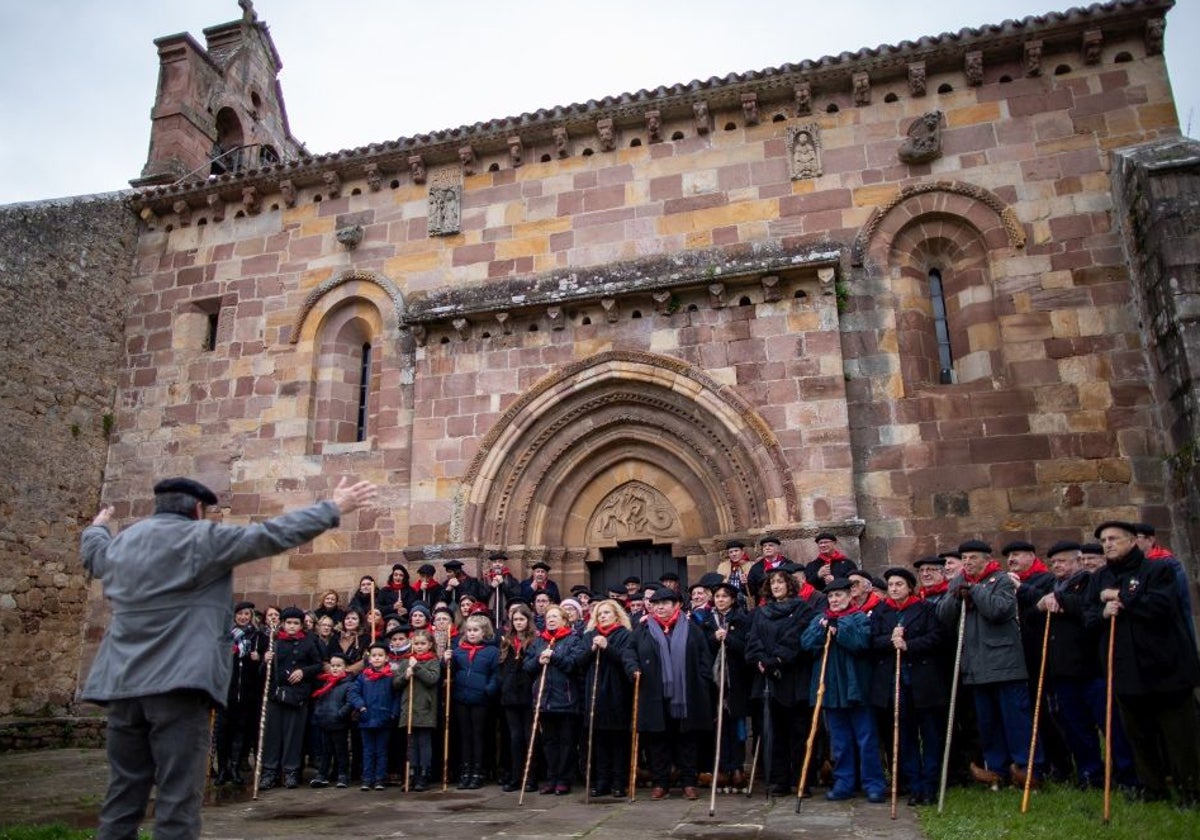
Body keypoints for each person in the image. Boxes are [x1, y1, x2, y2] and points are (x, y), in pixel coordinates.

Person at [79, 475, 376, 838]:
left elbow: (95, 557)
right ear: (198, 509)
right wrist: (333, 508)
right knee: (177, 799)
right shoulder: (203, 539)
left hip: (120, 683)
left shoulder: (123, 543)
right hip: (178, 684)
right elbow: (271, 535)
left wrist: (96, 529)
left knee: (123, 794)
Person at [1085, 521, 1200, 806]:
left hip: (1165, 667)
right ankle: (1152, 787)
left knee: (1179, 735)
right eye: (1103, 540)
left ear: (1133, 541)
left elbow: (1160, 606)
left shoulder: (1158, 569)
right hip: (1124, 670)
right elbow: (1087, 616)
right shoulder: (1099, 577)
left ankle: (1191, 789)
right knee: (1138, 734)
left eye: (1114, 538)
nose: (1108, 544)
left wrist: (1121, 597)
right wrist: (1103, 611)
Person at [937, 539, 1041, 789]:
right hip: (976, 666)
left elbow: (999, 610)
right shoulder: (958, 582)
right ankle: (996, 768)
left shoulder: (1001, 580)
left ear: (986, 559)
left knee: (1016, 719)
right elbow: (943, 616)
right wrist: (956, 595)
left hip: (1005, 664)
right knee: (988, 723)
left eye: (974, 558)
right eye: (965, 559)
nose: (968, 563)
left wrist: (974, 590)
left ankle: (1027, 768)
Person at [623, 587, 714, 801]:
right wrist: (633, 668)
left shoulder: (692, 629)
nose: (660, 607)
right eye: (656, 604)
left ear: (677, 605)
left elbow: (704, 658)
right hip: (654, 693)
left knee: (687, 740)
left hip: (687, 695)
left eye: (665, 603)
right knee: (657, 741)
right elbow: (629, 652)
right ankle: (660, 782)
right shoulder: (642, 629)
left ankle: (689, 783)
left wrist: (701, 680)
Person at [801, 578, 887, 803]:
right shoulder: (820, 619)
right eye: (831, 596)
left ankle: (873, 783)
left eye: (839, 595)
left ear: (850, 597)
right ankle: (844, 782)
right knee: (839, 741)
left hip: (856, 687)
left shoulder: (859, 618)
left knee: (866, 738)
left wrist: (839, 630)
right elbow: (806, 644)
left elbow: (860, 643)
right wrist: (822, 632)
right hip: (830, 689)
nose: (835, 600)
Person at [869, 567, 947, 806]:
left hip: (923, 682)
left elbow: (937, 637)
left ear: (909, 587)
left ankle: (930, 785)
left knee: (931, 735)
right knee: (905, 736)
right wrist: (890, 641)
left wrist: (908, 645)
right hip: (895, 683)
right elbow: (872, 640)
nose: (893, 589)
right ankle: (915, 785)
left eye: (899, 584)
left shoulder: (925, 609)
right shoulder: (882, 611)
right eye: (891, 585)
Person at [744, 568, 816, 795]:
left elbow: (796, 637)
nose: (776, 586)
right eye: (772, 582)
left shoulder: (803, 609)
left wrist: (776, 658)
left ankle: (801, 778)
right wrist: (761, 660)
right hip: (768, 680)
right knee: (773, 733)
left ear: (790, 585)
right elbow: (752, 640)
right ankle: (779, 780)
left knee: (798, 732)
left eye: (780, 582)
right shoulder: (760, 613)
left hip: (792, 677)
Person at [260, 606, 325, 790]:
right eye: (288, 623)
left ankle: (291, 771)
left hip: (297, 695)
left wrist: (303, 672)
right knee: (273, 735)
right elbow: (263, 674)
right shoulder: (274, 643)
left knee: (293, 735)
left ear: (301, 625)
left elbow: (318, 665)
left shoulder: (308, 643)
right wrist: (266, 661)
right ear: (282, 624)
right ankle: (269, 771)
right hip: (276, 694)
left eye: (296, 623)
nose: (292, 626)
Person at [526, 604, 586, 795]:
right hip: (544, 700)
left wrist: (555, 657)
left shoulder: (573, 639)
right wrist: (538, 661)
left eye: (555, 616)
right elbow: (527, 667)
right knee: (549, 742)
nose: (550, 620)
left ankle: (564, 779)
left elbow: (574, 665)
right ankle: (551, 778)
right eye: (548, 617)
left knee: (566, 743)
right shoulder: (539, 641)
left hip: (566, 699)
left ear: (564, 620)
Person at [582, 599, 635, 798]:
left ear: (616, 615)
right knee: (599, 742)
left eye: (606, 613)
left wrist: (607, 647)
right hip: (594, 694)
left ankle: (618, 782)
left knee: (618, 741)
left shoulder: (625, 635)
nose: (602, 616)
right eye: (599, 614)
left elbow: (625, 660)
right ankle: (601, 781)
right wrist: (592, 650)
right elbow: (580, 662)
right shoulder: (589, 636)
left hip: (616, 693)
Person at [702, 581, 752, 790]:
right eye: (717, 596)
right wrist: (714, 638)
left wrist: (729, 639)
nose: (720, 600)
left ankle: (737, 767)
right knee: (718, 726)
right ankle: (721, 767)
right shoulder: (705, 621)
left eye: (724, 596)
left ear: (732, 599)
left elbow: (747, 648)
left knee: (737, 726)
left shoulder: (741, 620)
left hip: (736, 682)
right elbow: (702, 647)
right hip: (714, 683)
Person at [445, 613, 500, 789]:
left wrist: (488, 690)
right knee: (464, 735)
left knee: (478, 735)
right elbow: (451, 671)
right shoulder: (459, 650)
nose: (471, 633)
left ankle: (478, 770)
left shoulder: (492, 651)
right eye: (469, 630)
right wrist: (446, 660)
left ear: (484, 632)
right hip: (461, 697)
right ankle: (465, 770)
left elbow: (496, 674)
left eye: (475, 630)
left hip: (480, 699)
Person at [215, 600, 264, 786]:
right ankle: (222, 770)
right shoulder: (225, 636)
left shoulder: (256, 637)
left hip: (246, 694)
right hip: (226, 693)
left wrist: (258, 659)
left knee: (239, 732)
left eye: (247, 615)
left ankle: (235, 768)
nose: (243, 617)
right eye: (240, 614)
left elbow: (262, 668)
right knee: (222, 733)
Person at [396, 628, 442, 792]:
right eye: (416, 644)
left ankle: (423, 773)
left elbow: (432, 679)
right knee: (411, 743)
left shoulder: (433, 661)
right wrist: (405, 676)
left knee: (424, 742)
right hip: (408, 707)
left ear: (430, 645)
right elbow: (396, 683)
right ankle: (412, 772)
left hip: (425, 708)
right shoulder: (406, 661)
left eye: (423, 643)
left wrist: (417, 668)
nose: (419, 646)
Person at [498, 603, 538, 792]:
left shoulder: (534, 640)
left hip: (528, 694)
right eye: (515, 620)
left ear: (527, 621)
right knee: (515, 738)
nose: (519, 622)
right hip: (510, 695)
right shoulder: (507, 641)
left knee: (528, 737)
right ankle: (516, 776)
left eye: (522, 619)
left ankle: (530, 777)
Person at [350, 642, 400, 791]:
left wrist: (393, 713)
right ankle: (367, 778)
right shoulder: (363, 676)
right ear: (369, 659)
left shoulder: (390, 676)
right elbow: (353, 692)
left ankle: (379, 779)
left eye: (380, 656)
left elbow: (396, 696)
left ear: (386, 658)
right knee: (368, 750)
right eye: (374, 656)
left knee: (382, 751)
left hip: (384, 718)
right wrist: (360, 705)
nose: (377, 658)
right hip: (366, 718)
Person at [309, 653, 354, 789]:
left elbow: (350, 702)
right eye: (333, 666)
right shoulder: (326, 682)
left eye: (338, 666)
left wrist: (340, 714)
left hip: (339, 722)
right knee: (325, 751)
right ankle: (322, 774)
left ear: (345, 668)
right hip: (325, 721)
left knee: (341, 750)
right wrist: (318, 713)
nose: (335, 669)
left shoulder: (348, 684)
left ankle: (343, 775)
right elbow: (320, 700)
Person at [746, 536, 788, 605]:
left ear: (778, 549)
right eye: (764, 546)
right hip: (764, 605)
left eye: (770, 545)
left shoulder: (787, 564)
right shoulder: (756, 568)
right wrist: (745, 583)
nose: (767, 548)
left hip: (785, 602)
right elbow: (750, 592)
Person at [484, 550, 523, 619]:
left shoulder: (511, 580)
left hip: (506, 615)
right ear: (491, 564)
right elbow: (481, 596)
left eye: (500, 562)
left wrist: (503, 584)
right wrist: (492, 587)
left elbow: (515, 596)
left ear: (504, 564)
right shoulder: (485, 580)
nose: (497, 564)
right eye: (495, 562)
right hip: (490, 615)